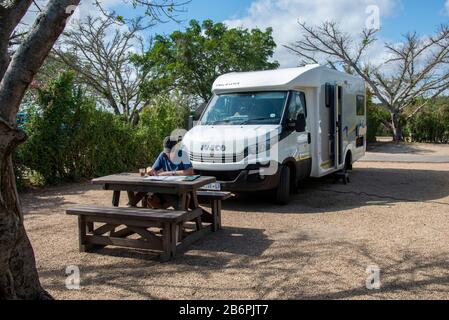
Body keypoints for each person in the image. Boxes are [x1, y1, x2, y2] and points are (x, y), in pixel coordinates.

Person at [145, 137, 194, 208]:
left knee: (183, 199)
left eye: (171, 151)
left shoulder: (182, 154)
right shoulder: (163, 155)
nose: (168, 154)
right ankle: (163, 215)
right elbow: (152, 170)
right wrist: (148, 169)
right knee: (150, 198)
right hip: (167, 188)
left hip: (181, 189)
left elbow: (190, 171)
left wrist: (169, 173)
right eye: (167, 151)